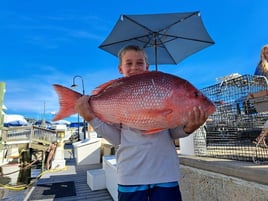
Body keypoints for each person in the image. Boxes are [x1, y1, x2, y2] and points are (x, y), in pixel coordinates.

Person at [75, 45, 208, 201]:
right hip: (131, 176)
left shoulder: (161, 88)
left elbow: (170, 133)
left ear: (147, 66)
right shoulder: (116, 93)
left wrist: (189, 128)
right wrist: (90, 117)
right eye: (129, 63)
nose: (134, 67)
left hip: (165, 173)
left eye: (139, 63)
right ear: (120, 68)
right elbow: (118, 140)